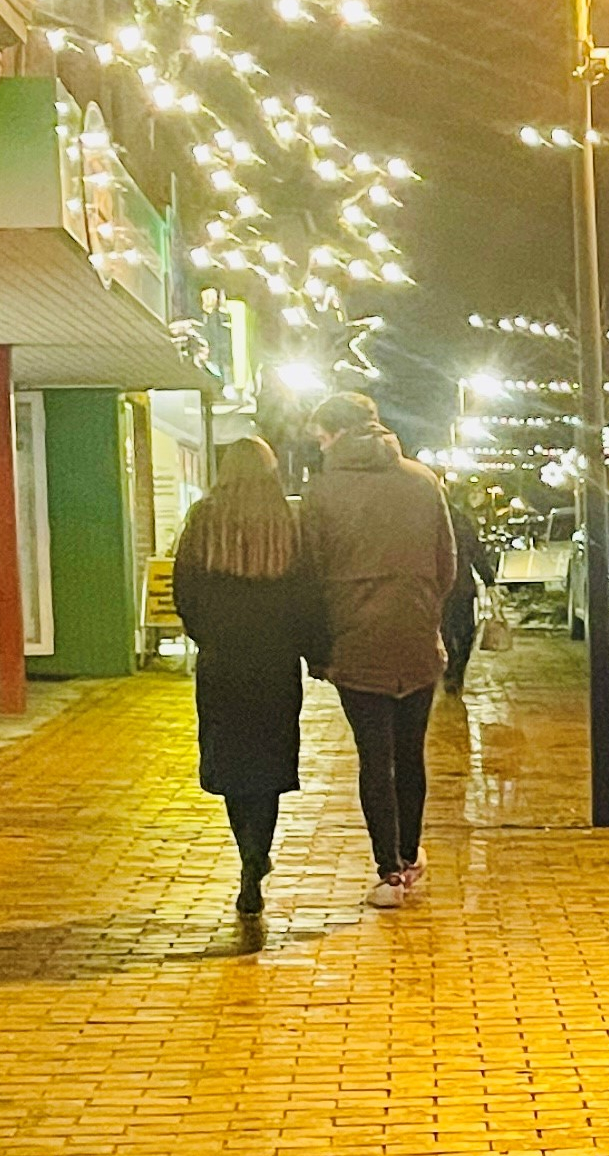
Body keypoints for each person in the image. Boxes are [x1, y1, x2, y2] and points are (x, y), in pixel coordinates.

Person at [299, 390, 459, 908]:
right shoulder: (423, 481)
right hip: (416, 637)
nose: (320, 446)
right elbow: (446, 563)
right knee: (411, 753)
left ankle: (388, 872)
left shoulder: (321, 492)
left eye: (322, 436)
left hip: (355, 641)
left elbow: (310, 572)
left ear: (338, 433)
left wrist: (319, 642)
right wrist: (423, 607)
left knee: (375, 756)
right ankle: (410, 856)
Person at [170, 438, 324, 918]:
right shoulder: (287, 519)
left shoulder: (203, 518)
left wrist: (206, 636)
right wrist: (308, 647)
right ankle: (258, 851)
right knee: (270, 764)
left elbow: (184, 590)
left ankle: (247, 855)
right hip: (275, 665)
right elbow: (309, 593)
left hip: (223, 663)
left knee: (233, 763)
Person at [441, 493, 497, 694]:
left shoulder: (427, 522)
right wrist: (488, 580)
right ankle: (456, 670)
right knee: (465, 632)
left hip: (441, 589)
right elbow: (477, 552)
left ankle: (451, 670)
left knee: (445, 631)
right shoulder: (462, 521)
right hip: (462, 587)